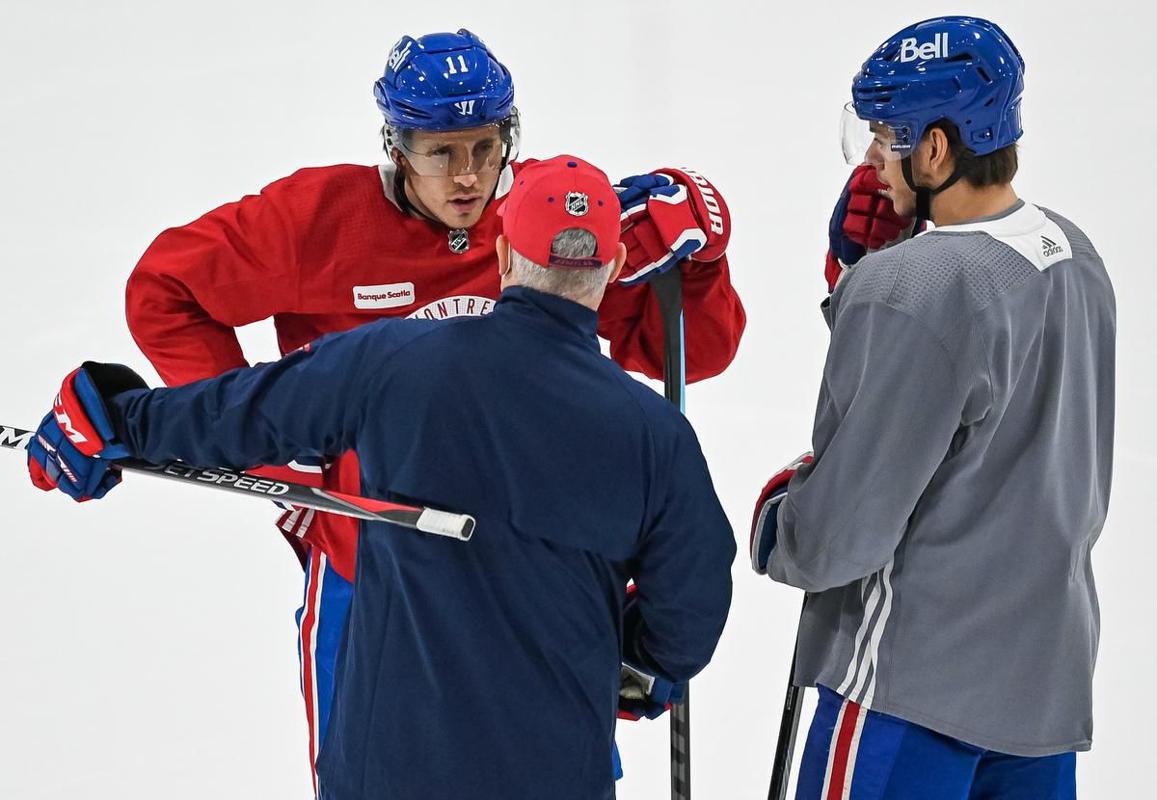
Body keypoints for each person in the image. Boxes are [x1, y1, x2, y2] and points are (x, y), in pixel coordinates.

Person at [121, 29, 745, 790]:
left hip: (532, 577)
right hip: (373, 571)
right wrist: (269, 454)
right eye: (438, 151)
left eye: (485, 148)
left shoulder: (536, 220)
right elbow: (165, 292)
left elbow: (687, 353)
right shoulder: (313, 220)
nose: (468, 176)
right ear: (394, 143)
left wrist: (703, 270)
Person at [749, 16, 1114, 799]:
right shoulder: (1074, 254)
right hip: (1042, 682)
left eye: (886, 137)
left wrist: (780, 521)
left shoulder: (910, 287)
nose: (873, 160)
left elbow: (839, 535)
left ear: (936, 149)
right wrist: (873, 278)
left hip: (907, 688)